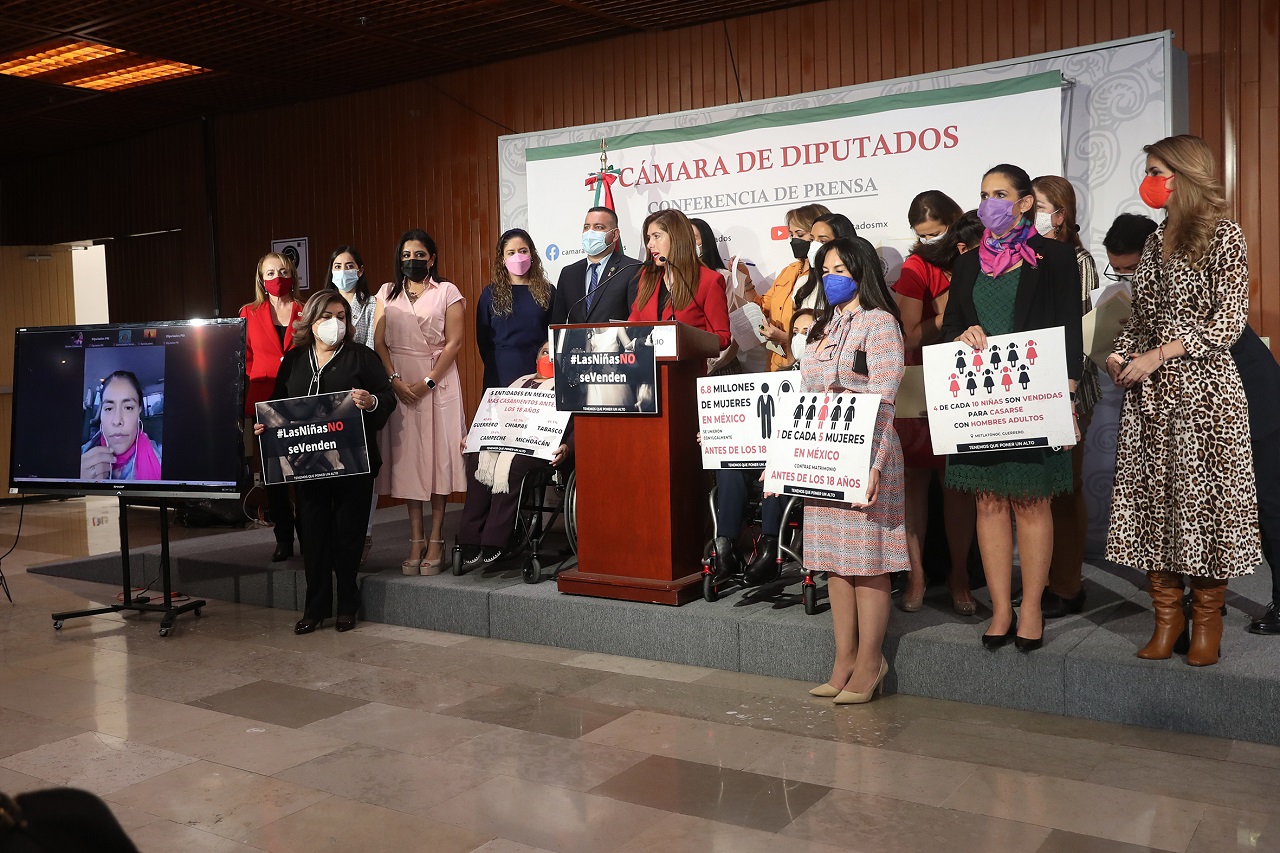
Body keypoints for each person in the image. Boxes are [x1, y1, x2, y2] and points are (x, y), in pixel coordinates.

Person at [1105, 135, 1261, 665]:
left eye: (1156, 171)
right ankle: (1167, 619)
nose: (1148, 181)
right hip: (1151, 398)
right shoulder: (1153, 241)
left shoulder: (1224, 234)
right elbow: (1142, 318)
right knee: (1157, 505)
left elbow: (1228, 322)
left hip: (1205, 394)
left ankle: (1207, 622)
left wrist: (1160, 354)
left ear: (1184, 175)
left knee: (1205, 505)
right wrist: (1121, 353)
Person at [940, 164, 1084, 653]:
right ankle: (1001, 608)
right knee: (988, 501)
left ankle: (1033, 606)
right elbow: (950, 327)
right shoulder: (966, 264)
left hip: (1034, 398)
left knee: (1032, 500)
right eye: (984, 194)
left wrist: (1066, 395)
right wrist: (961, 334)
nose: (989, 203)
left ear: (1024, 203)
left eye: (1000, 194)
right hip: (981, 403)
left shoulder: (1055, 257)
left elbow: (1068, 327)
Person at [800, 237, 907, 704]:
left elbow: (885, 397)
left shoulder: (880, 323)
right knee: (834, 563)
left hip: (867, 453)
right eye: (825, 270)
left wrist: (875, 464)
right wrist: (782, 460)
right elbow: (803, 396)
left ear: (863, 272)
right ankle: (843, 660)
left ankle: (870, 661)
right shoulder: (821, 326)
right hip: (823, 454)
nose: (831, 278)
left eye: (840, 269)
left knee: (867, 562)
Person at [255, 289, 395, 633]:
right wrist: (265, 425)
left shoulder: (362, 357)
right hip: (307, 465)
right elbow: (278, 402)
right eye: (327, 317)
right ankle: (314, 608)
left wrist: (372, 402)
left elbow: (388, 398)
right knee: (314, 537)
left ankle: (347, 604)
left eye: (342, 317)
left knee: (348, 534)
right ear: (311, 321)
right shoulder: (294, 360)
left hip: (353, 462)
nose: (336, 323)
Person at [892, 206, 982, 615]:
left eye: (938, 231)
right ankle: (916, 575)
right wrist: (950, 316)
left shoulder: (980, 255)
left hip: (972, 377)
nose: (931, 240)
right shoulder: (915, 267)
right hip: (923, 377)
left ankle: (960, 574)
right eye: (923, 234)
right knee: (915, 479)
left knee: (958, 481)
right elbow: (910, 335)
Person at [374, 229, 467, 576]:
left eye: (419, 255)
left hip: (437, 381)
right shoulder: (386, 292)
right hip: (399, 380)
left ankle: (436, 537)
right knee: (409, 461)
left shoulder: (447, 291)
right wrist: (393, 380)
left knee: (439, 458)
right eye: (406, 255)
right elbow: (379, 342)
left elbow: (454, 343)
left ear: (432, 258)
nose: (412, 260)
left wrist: (428, 381)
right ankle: (415, 539)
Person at [1032, 175, 1103, 618]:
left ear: (1060, 214)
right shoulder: (1024, 256)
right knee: (1038, 492)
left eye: (1038, 207)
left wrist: (1069, 391)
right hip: (1030, 389)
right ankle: (1040, 582)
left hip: (1069, 389)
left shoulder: (1079, 261)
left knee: (1064, 488)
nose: (1030, 214)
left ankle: (1066, 585)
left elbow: (1082, 331)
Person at [459, 342, 571, 566]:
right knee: (478, 458)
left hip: (539, 446)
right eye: (544, 352)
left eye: (553, 353)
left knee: (514, 464)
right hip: (505, 440)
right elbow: (493, 415)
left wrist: (568, 446)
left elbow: (578, 425)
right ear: (536, 358)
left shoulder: (567, 387)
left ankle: (496, 536)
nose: (548, 357)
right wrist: (475, 434)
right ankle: (469, 536)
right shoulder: (518, 383)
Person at [241, 252, 303, 562]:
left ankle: (309, 535)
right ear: (261, 279)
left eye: (283, 271)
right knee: (274, 477)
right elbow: (245, 359)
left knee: (304, 472)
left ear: (292, 274)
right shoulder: (248, 312)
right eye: (270, 273)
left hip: (300, 400)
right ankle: (283, 538)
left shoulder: (307, 310)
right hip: (264, 402)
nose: (277, 277)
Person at [628, 208, 732, 350]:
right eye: (648, 238)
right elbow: (633, 323)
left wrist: (680, 339)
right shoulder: (648, 277)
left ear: (677, 238)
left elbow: (722, 337)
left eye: (656, 236)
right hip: (647, 363)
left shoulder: (709, 281)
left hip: (687, 364)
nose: (650, 244)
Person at [477, 229, 555, 390]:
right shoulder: (490, 293)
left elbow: (554, 333)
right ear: (502, 259)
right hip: (499, 370)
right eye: (511, 253)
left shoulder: (548, 291)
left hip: (538, 370)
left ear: (532, 254)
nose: (518, 257)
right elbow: (483, 339)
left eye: (523, 251)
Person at [759, 203, 830, 370]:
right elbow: (763, 306)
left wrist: (785, 337)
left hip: (809, 367)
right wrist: (745, 282)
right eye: (791, 235)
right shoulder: (788, 271)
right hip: (776, 366)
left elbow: (828, 332)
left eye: (800, 234)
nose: (794, 240)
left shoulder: (827, 276)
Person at [549, 206, 641, 325]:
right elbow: (557, 323)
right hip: (576, 338)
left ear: (615, 235)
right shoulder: (569, 273)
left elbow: (637, 322)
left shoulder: (632, 269)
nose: (590, 233)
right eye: (586, 227)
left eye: (598, 227)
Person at [691, 217, 758, 375]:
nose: (688, 242)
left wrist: (707, 366)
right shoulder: (674, 281)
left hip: (719, 368)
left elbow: (732, 327)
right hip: (688, 367)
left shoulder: (723, 277)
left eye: (693, 237)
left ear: (705, 242)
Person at [79, 371, 161, 481]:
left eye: (128, 408)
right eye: (109, 408)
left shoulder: (159, 456)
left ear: (139, 411)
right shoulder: (82, 455)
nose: (117, 421)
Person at [328, 246, 378, 347]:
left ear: (360, 271)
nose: (343, 271)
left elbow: (371, 346)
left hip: (361, 356)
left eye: (349, 266)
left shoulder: (371, 304)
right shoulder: (323, 303)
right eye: (337, 267)